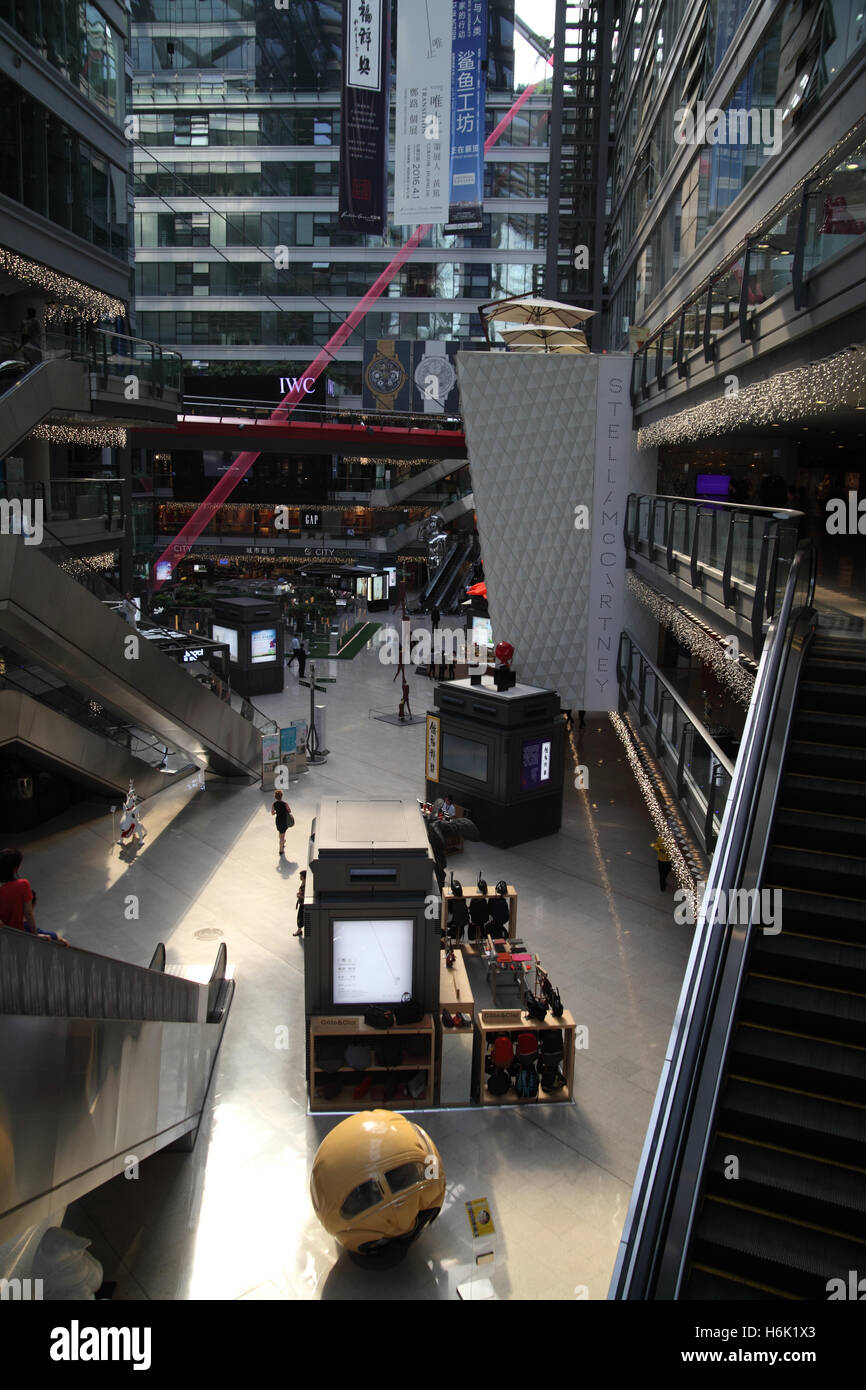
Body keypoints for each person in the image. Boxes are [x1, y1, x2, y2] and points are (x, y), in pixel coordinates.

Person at [0, 848, 68, 944]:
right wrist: (35, 935)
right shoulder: (22, 885)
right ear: (15, 868)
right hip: (17, 935)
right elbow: (28, 913)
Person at [272, 789, 291, 855]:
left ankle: (282, 841)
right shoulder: (285, 804)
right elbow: (289, 811)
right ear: (281, 796)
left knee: (280, 833)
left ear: (275, 797)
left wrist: (276, 812)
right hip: (284, 821)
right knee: (282, 835)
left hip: (278, 821)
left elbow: (272, 813)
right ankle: (281, 849)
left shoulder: (274, 804)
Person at [293, 869, 306, 937]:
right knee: (300, 917)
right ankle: (299, 929)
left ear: (303, 877)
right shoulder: (303, 883)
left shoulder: (306, 885)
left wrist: (300, 896)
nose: (299, 877)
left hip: (303, 905)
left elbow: (306, 897)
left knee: (300, 917)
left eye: (300, 876)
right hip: (301, 903)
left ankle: (299, 930)